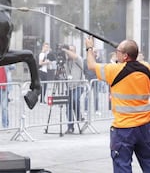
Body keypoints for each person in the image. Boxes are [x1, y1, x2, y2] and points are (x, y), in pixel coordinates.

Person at [85, 37, 150, 173]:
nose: (116, 53)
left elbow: (91, 65)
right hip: (145, 128)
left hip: (123, 129)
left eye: (118, 51)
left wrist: (89, 48)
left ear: (125, 56)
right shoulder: (146, 68)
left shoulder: (114, 70)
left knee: (122, 167)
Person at [62, 44, 84, 134]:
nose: (69, 52)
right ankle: (70, 127)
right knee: (68, 107)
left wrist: (64, 50)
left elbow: (74, 56)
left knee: (75, 99)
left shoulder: (78, 59)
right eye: (68, 50)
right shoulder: (66, 62)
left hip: (79, 85)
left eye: (71, 50)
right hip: (69, 87)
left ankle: (79, 116)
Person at [83, 48, 101, 116]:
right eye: (94, 52)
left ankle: (96, 110)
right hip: (88, 79)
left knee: (96, 96)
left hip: (96, 79)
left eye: (96, 52)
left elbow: (100, 68)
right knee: (87, 96)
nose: (95, 53)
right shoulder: (85, 61)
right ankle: (85, 110)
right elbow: (84, 70)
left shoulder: (98, 60)